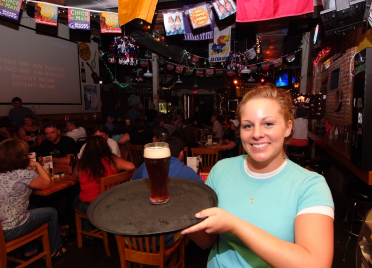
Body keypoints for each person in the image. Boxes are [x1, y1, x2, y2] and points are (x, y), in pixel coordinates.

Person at [181, 84, 334, 268]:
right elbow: (207, 242)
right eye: (248, 126)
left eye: (268, 123)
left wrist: (235, 226)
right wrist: (180, 211)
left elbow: (315, 264)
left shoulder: (310, 185)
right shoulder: (221, 170)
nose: (257, 134)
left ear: (287, 128)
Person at [0, 139, 66, 259]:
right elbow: (47, 183)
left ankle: (30, 248)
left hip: (2, 224)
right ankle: (55, 250)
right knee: (51, 212)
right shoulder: (24, 173)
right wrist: (36, 164)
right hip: (10, 229)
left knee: (31, 207)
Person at [73, 136, 135, 232]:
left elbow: (74, 178)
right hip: (111, 202)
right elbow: (131, 166)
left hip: (91, 206)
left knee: (76, 200)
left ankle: (87, 233)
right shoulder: (112, 160)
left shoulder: (81, 164)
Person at [132, 136, 203, 183]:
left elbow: (132, 181)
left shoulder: (146, 165)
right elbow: (204, 189)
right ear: (181, 154)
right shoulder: (188, 172)